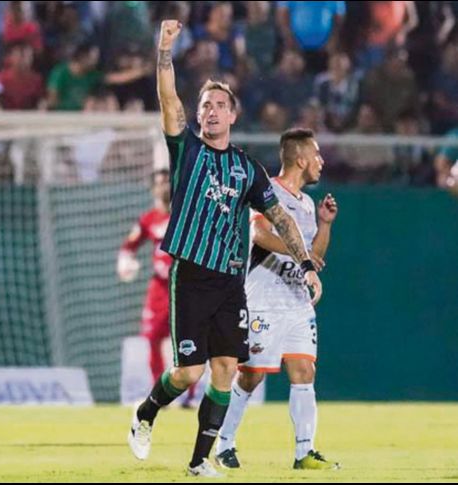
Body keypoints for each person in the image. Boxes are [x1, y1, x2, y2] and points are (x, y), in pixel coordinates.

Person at [127, 20, 322, 478]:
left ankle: (199, 461)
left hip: (231, 282)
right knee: (188, 373)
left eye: (220, 105)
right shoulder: (187, 151)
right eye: (205, 106)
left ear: (233, 116)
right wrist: (164, 51)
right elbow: (168, 99)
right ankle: (146, 412)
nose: (211, 111)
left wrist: (307, 263)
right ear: (197, 116)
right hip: (193, 275)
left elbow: (281, 219)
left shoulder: (247, 169)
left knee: (225, 369)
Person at [214, 128, 340, 470]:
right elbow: (259, 234)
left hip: (297, 301)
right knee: (252, 375)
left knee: (304, 370)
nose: (321, 161)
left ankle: (304, 453)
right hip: (264, 298)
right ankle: (224, 444)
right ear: (300, 158)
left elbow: (314, 257)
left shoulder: (308, 204)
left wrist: (325, 225)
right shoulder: (268, 191)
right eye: (316, 154)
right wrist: (299, 254)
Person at [118, 169, 196, 407]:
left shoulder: (186, 216)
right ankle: (159, 394)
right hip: (159, 289)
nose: (164, 187)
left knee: (188, 341)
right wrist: (125, 262)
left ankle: (189, 396)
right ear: (153, 189)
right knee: (152, 338)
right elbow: (129, 246)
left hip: (185, 287)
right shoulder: (148, 219)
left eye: (167, 182)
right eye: (159, 183)